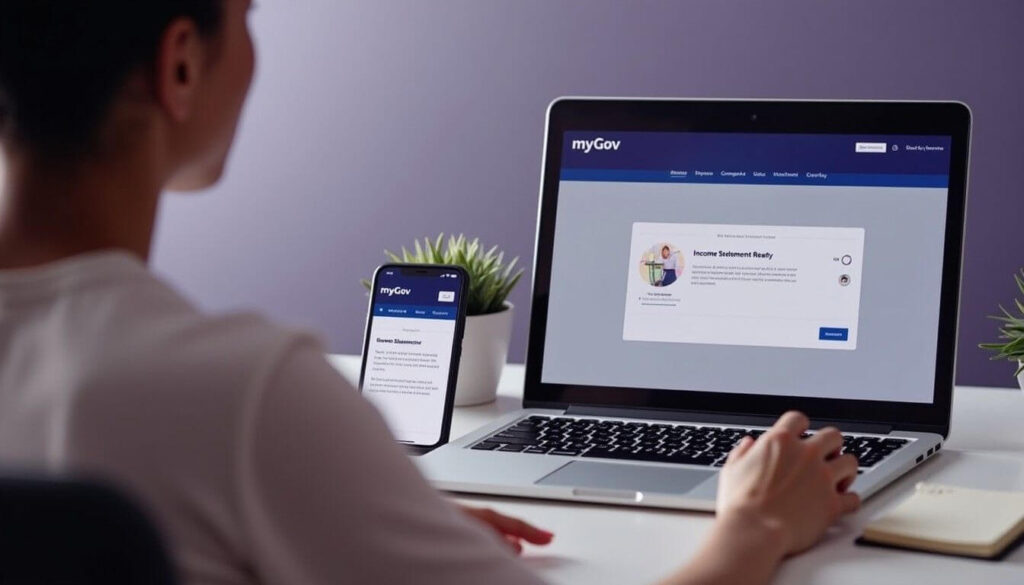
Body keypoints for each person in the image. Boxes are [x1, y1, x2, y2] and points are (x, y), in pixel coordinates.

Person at [0, 2, 861, 584]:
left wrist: (365, 511)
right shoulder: (246, 392)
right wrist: (752, 529)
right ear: (179, 64)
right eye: (249, 14)